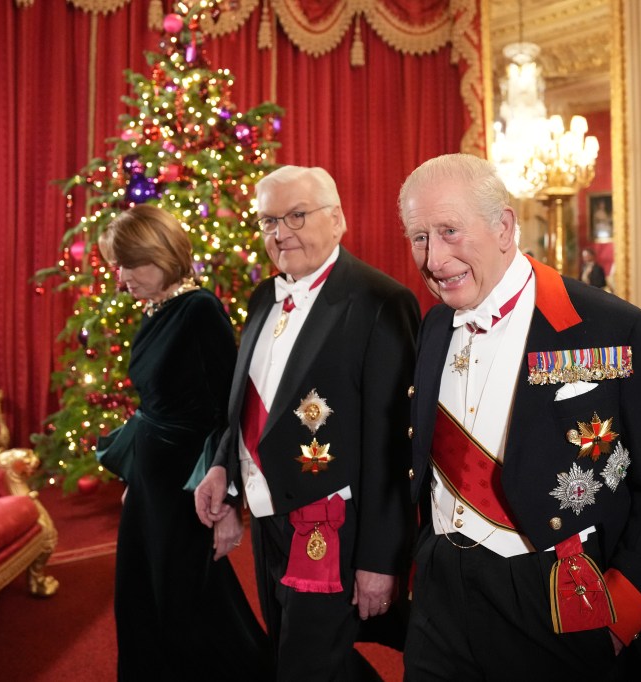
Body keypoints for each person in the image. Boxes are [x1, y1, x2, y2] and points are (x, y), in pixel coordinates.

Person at [399, 153, 641, 680]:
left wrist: (622, 611)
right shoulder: (433, 327)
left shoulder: (615, 330)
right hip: (441, 594)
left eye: (450, 231)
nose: (433, 257)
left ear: (504, 227)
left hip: (556, 593)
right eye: (419, 237)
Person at [193, 166, 420, 680]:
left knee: (305, 666)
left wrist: (382, 561)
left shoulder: (381, 302)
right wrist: (225, 478)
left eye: (297, 215)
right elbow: (248, 412)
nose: (280, 232)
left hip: (333, 527)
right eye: (269, 220)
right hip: (269, 518)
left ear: (337, 219)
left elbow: (393, 450)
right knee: (294, 655)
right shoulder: (260, 298)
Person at [97, 204, 273, 680]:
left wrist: (228, 506)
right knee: (142, 598)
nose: (120, 278)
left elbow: (228, 412)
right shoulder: (158, 308)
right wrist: (136, 474)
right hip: (151, 486)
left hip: (188, 492)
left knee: (190, 612)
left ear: (161, 254)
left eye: (129, 264)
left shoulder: (199, 310)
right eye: (117, 264)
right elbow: (154, 406)